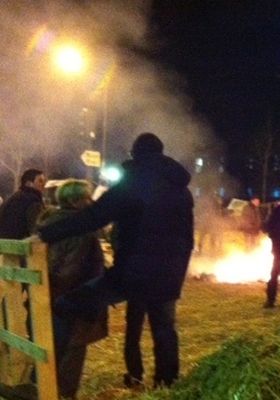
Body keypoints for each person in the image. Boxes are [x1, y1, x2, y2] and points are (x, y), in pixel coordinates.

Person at [38, 133, 194, 388]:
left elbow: (94, 216)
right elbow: (187, 239)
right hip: (169, 274)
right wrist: (178, 271)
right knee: (164, 329)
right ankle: (167, 385)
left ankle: (44, 378)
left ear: (135, 154)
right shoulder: (181, 190)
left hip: (132, 273)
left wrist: (45, 234)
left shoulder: (134, 182)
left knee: (65, 305)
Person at [37, 180, 107, 399]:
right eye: (87, 197)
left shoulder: (49, 223)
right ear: (77, 201)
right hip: (74, 300)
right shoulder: (80, 229)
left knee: (52, 349)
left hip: (46, 297)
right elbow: (71, 270)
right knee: (72, 352)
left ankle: (44, 390)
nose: (90, 201)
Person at [0, 169, 46, 239]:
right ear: (28, 183)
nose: (44, 184)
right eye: (40, 181)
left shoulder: (13, 198)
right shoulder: (33, 201)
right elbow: (36, 230)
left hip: (4, 244)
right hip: (21, 245)